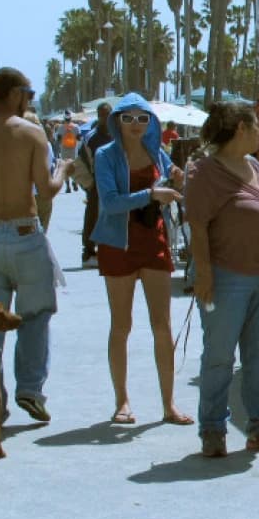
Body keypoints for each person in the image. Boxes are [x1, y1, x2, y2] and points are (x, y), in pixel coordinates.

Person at [0, 68, 73, 423]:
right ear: (16, 93)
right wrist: (63, 170)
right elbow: (46, 189)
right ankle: (30, 389)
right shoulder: (32, 134)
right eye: (29, 94)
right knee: (35, 315)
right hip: (25, 234)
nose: (30, 101)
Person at [185, 100, 259, 457]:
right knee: (218, 357)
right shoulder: (205, 172)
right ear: (241, 129)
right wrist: (203, 275)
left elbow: (257, 201)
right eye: (257, 127)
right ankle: (213, 429)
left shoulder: (254, 165)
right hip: (226, 278)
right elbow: (197, 227)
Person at [90, 93, 192, 426]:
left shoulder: (157, 153)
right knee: (121, 325)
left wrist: (177, 179)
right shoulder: (106, 155)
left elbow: (175, 187)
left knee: (162, 325)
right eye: (128, 118)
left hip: (154, 240)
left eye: (142, 118)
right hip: (118, 242)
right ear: (116, 121)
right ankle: (121, 401)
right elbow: (110, 201)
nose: (135, 125)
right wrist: (151, 193)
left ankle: (169, 404)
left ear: (152, 122)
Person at [78, 103, 114, 267]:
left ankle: (112, 251)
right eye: (102, 115)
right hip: (97, 183)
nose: (105, 118)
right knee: (93, 215)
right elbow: (81, 161)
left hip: (116, 181)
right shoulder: (91, 137)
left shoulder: (118, 134)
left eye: (108, 114)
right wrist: (89, 183)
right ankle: (89, 252)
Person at [58, 117, 80, 190]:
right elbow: (79, 138)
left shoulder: (60, 127)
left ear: (64, 118)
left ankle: (68, 186)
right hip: (73, 150)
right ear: (71, 118)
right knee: (74, 167)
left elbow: (58, 139)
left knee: (65, 167)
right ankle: (75, 182)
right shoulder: (76, 127)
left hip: (64, 150)